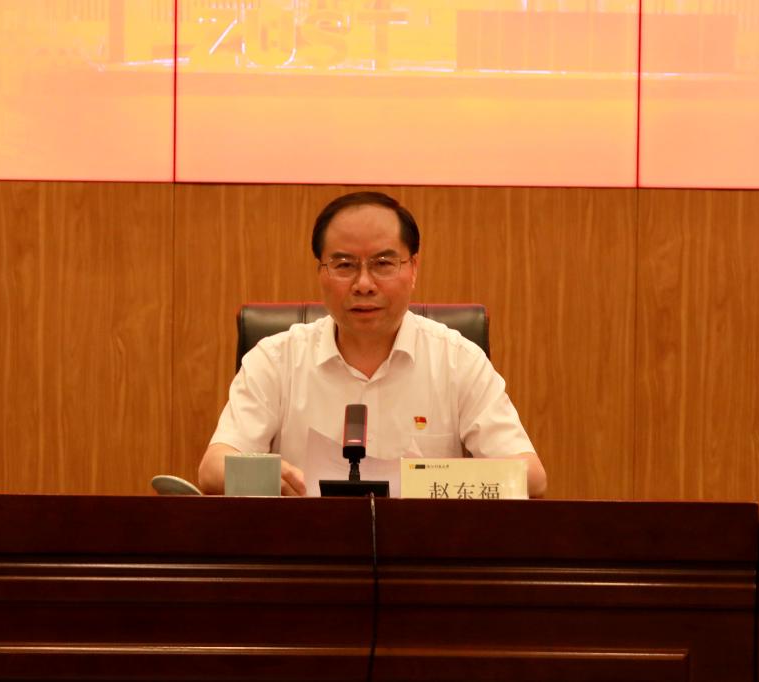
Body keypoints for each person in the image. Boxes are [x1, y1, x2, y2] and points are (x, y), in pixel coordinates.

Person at [198, 191, 546, 497]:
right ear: (321, 273)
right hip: (303, 543)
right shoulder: (275, 359)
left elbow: (531, 476)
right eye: (344, 265)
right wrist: (272, 476)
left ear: (413, 269)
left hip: (423, 547)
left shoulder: (458, 360)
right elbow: (212, 469)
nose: (364, 284)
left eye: (383, 263)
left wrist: (429, 479)